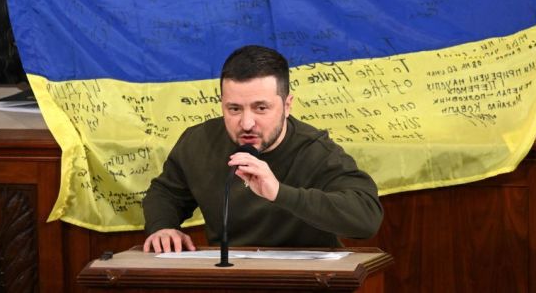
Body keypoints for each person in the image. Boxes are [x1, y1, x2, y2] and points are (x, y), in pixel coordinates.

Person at [141, 45, 383, 253]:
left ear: (287, 106)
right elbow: (166, 193)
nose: (246, 123)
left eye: (261, 108)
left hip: (305, 280)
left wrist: (279, 192)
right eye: (234, 109)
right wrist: (163, 227)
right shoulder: (199, 141)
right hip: (228, 278)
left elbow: (366, 217)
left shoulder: (316, 151)